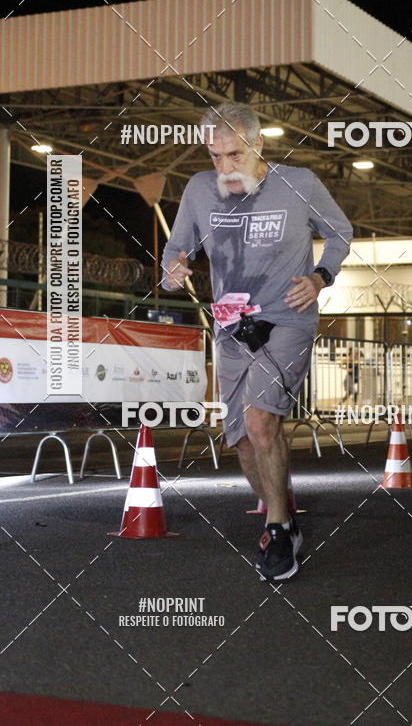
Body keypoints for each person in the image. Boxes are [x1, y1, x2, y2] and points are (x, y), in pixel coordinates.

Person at [161, 102, 352, 580]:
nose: (224, 167)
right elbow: (175, 247)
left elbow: (340, 231)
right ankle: (277, 506)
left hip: (288, 317)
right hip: (230, 324)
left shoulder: (300, 184)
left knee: (261, 420)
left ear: (258, 145)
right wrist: (172, 267)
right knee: (242, 440)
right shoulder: (199, 190)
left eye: (234, 156)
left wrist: (321, 275)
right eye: (214, 156)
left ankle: (280, 527)